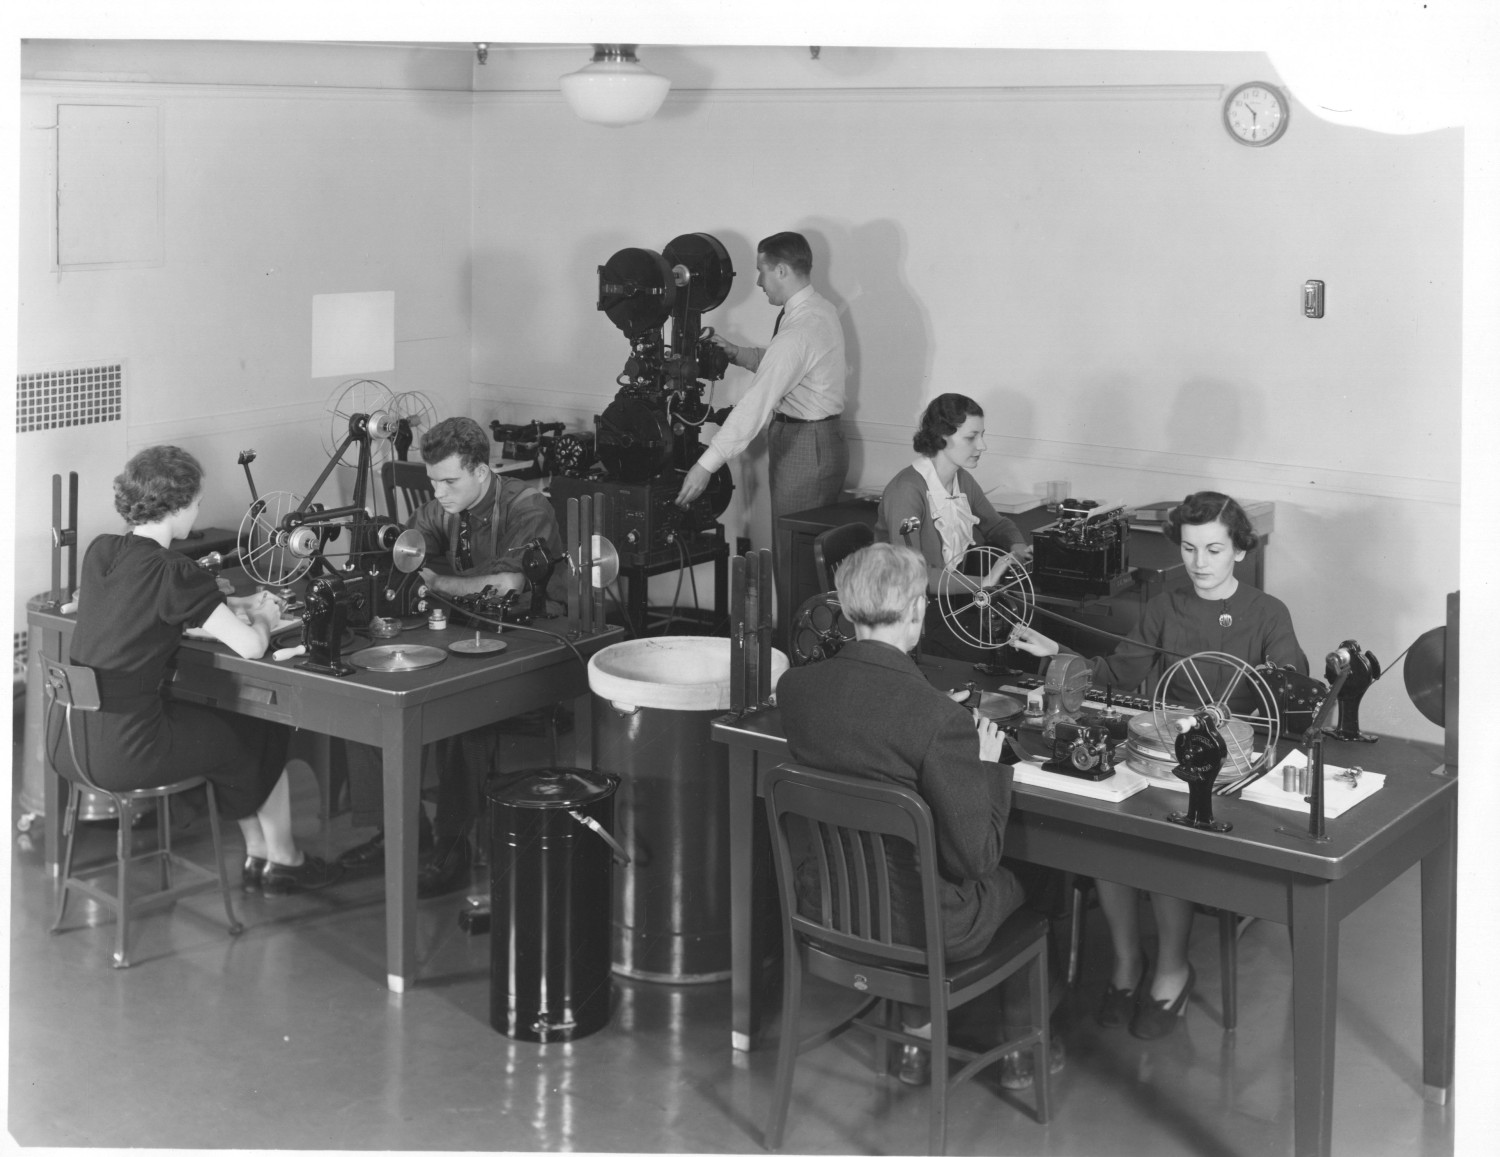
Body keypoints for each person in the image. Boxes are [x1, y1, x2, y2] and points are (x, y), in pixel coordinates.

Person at [1010, 490, 1308, 1039]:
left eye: (1214, 550)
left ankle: (1172, 966)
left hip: (1231, 772)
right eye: (1190, 549)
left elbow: (1291, 695)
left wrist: (1281, 686)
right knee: (1106, 835)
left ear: (1240, 551)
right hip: (1162, 758)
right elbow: (1118, 672)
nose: (1200, 563)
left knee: (1158, 838)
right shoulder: (1164, 605)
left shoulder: (1268, 613)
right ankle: (1126, 962)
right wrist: (1054, 652)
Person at [777, 543, 1065, 1091]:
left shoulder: (796, 690)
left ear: (846, 605)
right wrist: (983, 767)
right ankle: (1020, 1049)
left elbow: (865, 737)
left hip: (831, 906)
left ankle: (917, 1031)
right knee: (1043, 873)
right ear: (915, 611)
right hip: (930, 926)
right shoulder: (938, 721)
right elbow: (977, 858)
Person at [56, 445, 340, 894]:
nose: (199, 510)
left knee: (234, 734)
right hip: (127, 750)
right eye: (198, 502)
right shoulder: (172, 570)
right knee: (261, 730)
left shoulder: (103, 550)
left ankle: (260, 855)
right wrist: (264, 613)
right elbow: (250, 647)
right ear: (180, 505)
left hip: (72, 740)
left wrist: (232, 602)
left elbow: (143, 604)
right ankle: (283, 858)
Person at [339, 416, 569, 898]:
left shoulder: (528, 508)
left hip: (534, 641)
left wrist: (438, 582)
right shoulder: (447, 506)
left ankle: (452, 844)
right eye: (433, 481)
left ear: (482, 471)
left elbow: (510, 585)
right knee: (364, 698)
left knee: (460, 712)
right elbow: (409, 547)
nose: (439, 493)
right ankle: (399, 829)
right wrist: (393, 553)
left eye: (449, 481)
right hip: (469, 631)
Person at [674, 231, 848, 608]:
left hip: (806, 450)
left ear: (782, 270)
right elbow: (790, 369)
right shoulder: (819, 310)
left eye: (761, 272)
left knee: (795, 566)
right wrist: (737, 354)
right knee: (806, 564)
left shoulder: (799, 330)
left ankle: (796, 659)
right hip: (817, 441)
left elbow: (755, 405)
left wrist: (705, 466)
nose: (758, 282)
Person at [874, 393, 1034, 660]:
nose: (982, 445)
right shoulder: (906, 492)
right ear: (941, 436)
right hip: (910, 615)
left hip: (948, 602)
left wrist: (1018, 547)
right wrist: (984, 582)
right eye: (971, 438)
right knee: (998, 652)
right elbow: (916, 576)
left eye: (982, 435)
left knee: (1021, 638)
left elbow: (996, 524)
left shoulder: (962, 480)